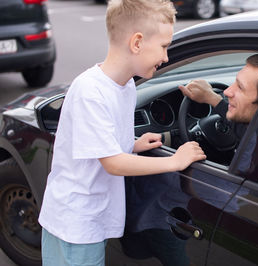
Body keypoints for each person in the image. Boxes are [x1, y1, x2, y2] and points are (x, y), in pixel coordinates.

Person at [38, 0, 206, 265]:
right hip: (75, 226)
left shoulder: (126, 86)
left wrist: (133, 144)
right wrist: (174, 161)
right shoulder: (90, 91)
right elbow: (113, 163)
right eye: (164, 46)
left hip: (94, 219)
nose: (166, 57)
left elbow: (105, 146)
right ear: (137, 42)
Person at [121, 53, 258, 266]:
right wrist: (212, 99)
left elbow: (228, 201)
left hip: (180, 221)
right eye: (233, 82)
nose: (227, 91)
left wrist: (178, 165)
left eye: (240, 88)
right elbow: (243, 125)